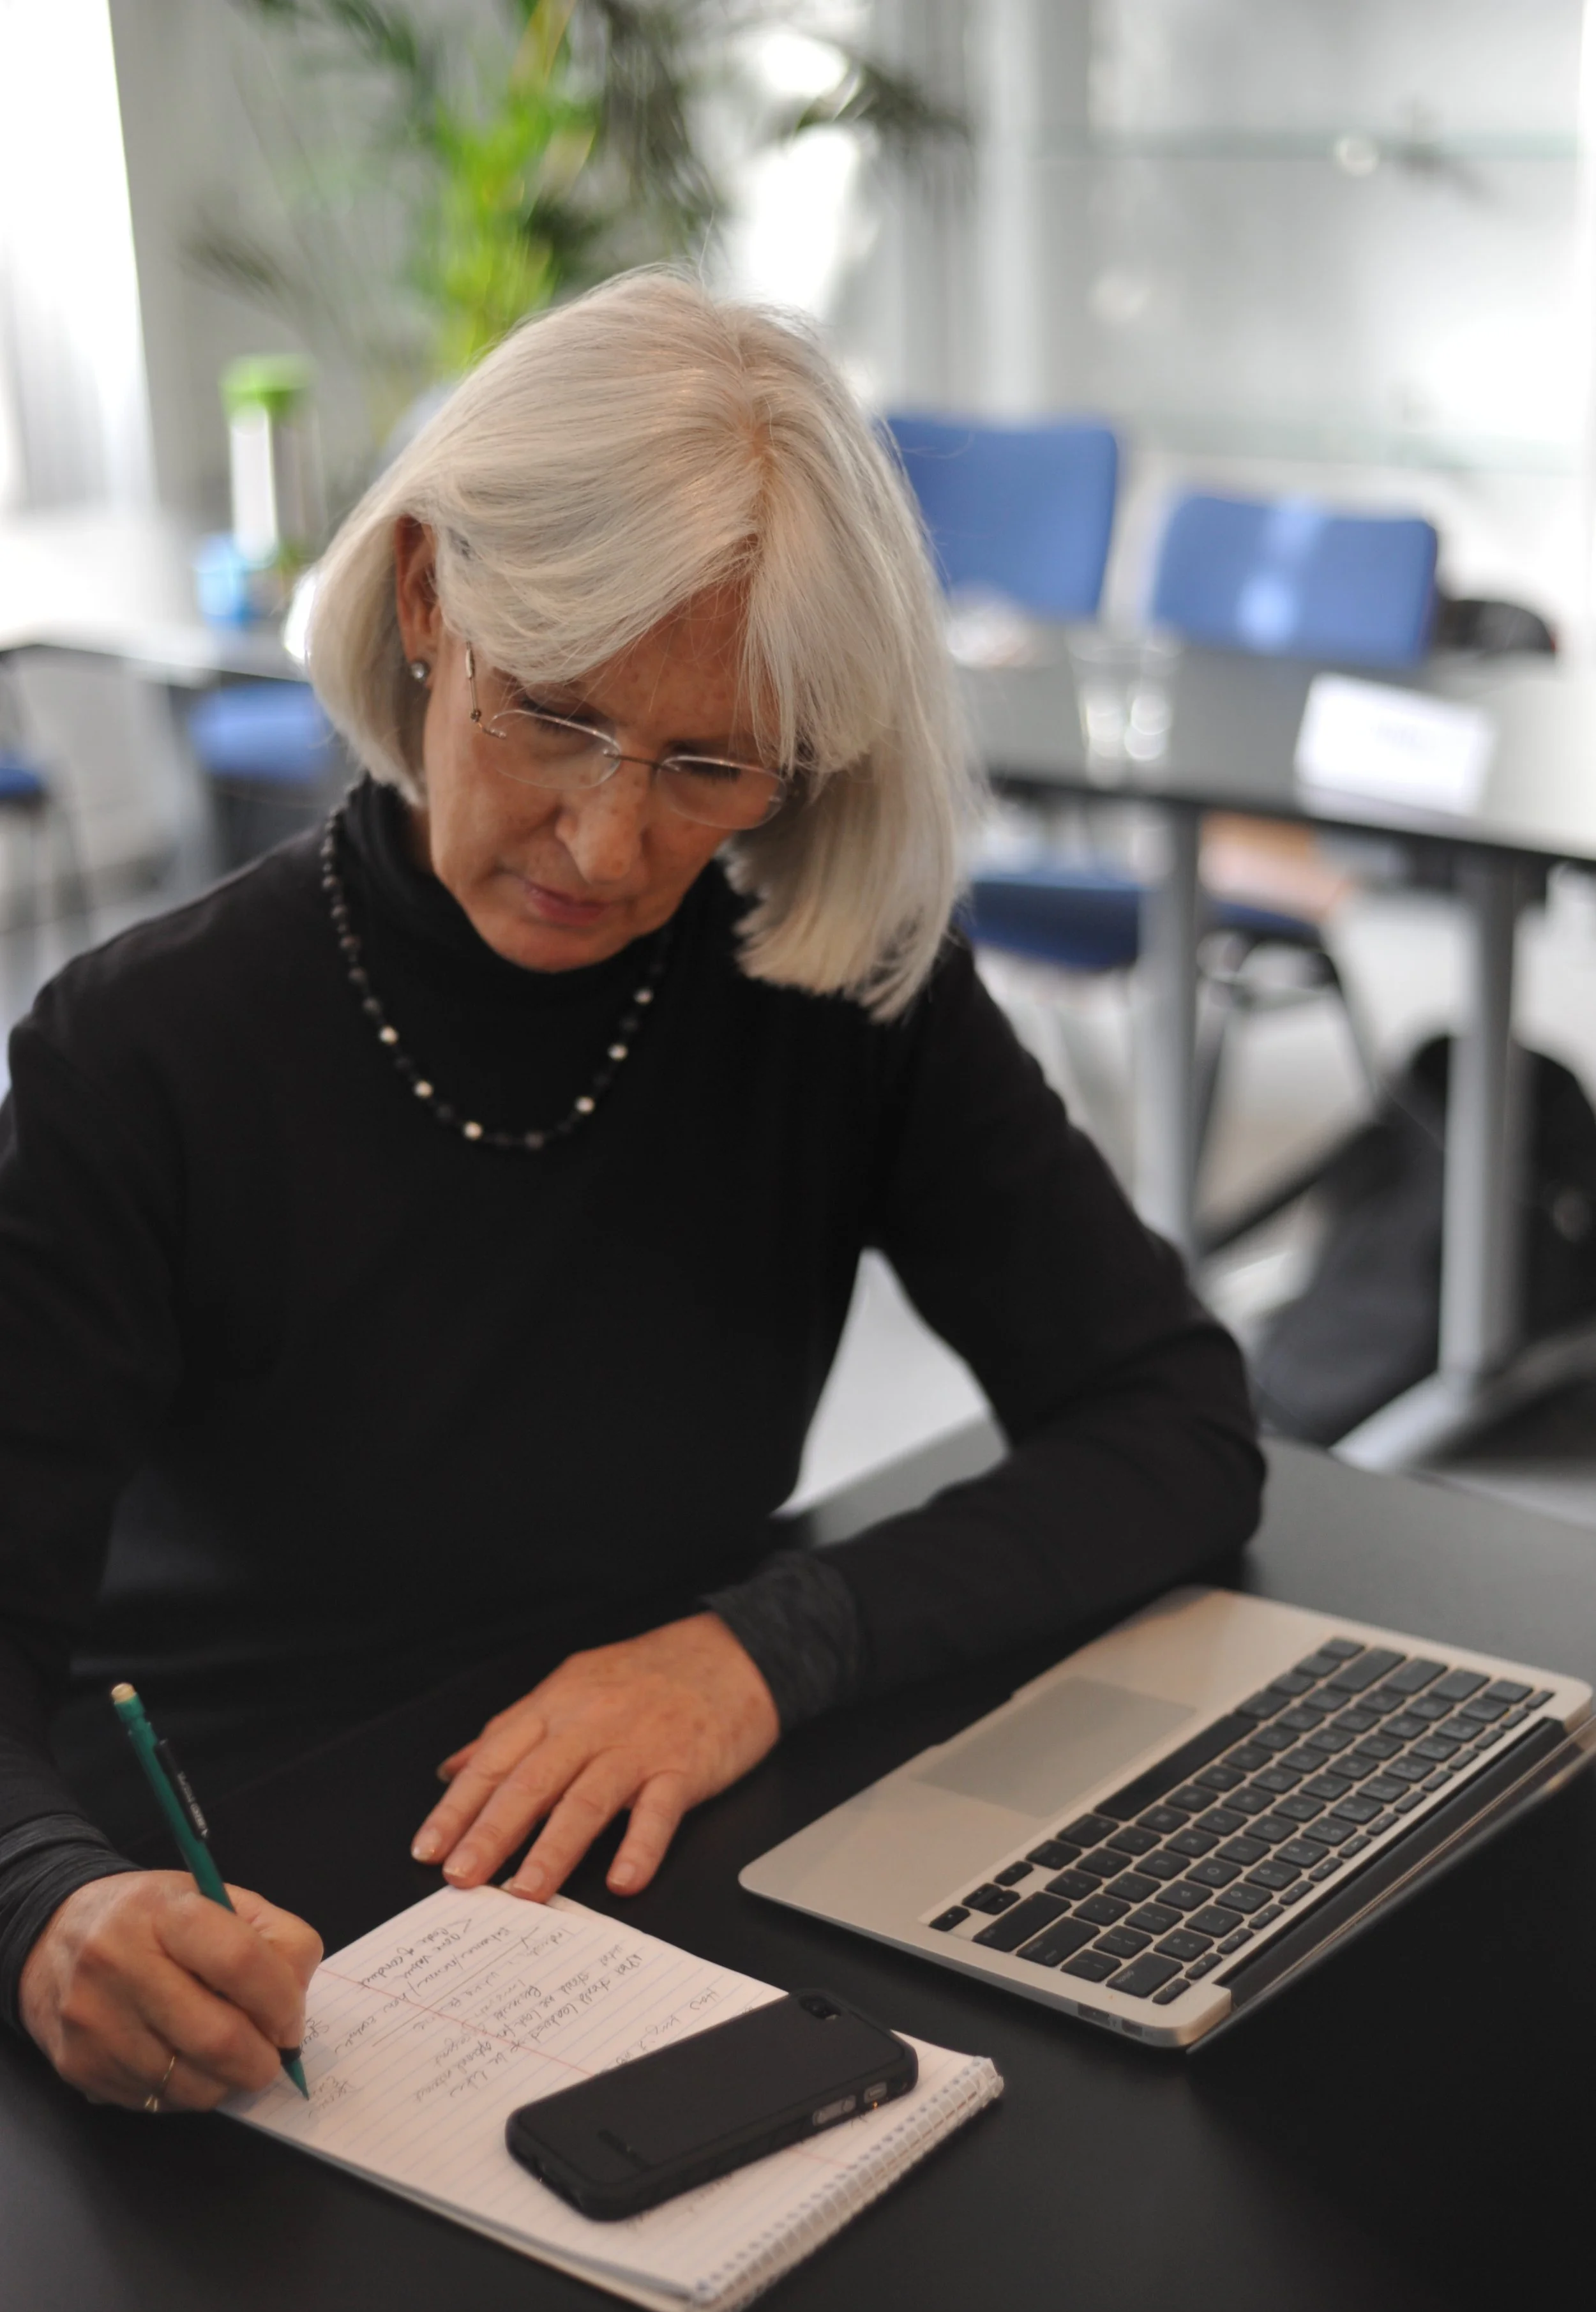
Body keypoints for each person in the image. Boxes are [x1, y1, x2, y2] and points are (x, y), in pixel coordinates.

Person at [0, 271, 1261, 2113]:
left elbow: (1173, 1419)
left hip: (669, 1841)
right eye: (557, 718)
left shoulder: (831, 989)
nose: (608, 842)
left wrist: (767, 1642)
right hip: (237, 1906)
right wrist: (44, 1896)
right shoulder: (147, 1048)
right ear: (428, 596)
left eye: (704, 766)